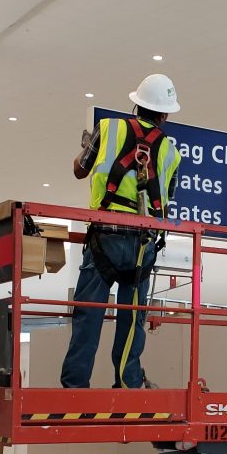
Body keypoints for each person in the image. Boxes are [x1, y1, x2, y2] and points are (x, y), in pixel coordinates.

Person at [61, 74, 182, 390]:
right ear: (165, 114)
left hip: (105, 237)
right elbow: (166, 200)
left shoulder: (108, 129)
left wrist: (88, 146)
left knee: (89, 314)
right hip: (143, 244)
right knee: (133, 320)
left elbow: (79, 169)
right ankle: (127, 384)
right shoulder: (171, 152)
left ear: (136, 104)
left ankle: (75, 387)